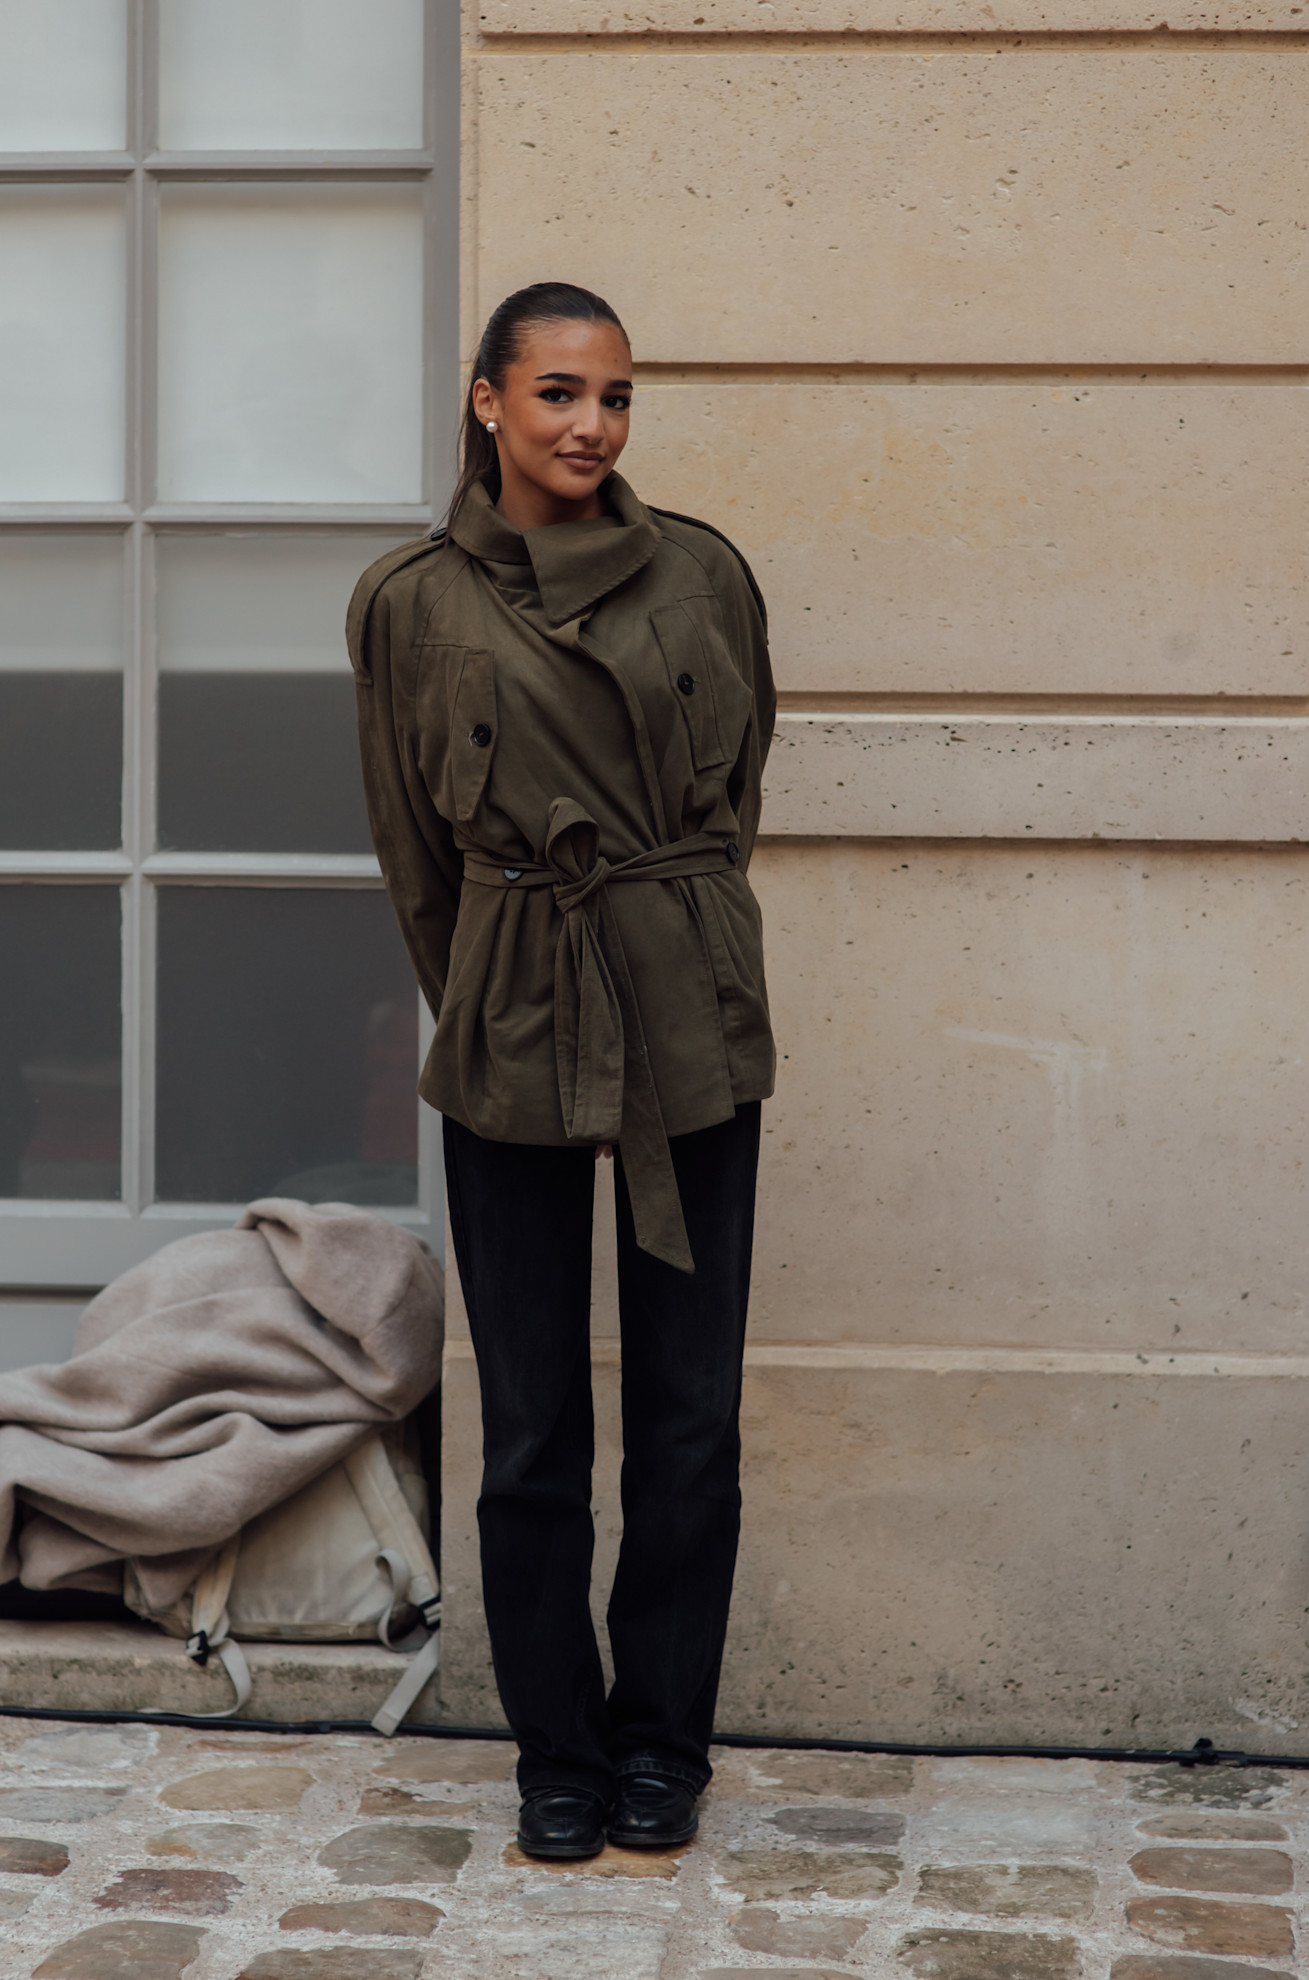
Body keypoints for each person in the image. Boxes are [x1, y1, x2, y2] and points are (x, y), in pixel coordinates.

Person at [348, 281, 776, 1860]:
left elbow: (736, 800)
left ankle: (666, 1741)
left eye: (613, 399)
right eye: (555, 395)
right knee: (529, 1423)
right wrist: (498, 980)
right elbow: (416, 864)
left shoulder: (704, 575)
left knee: (690, 1414)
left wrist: (680, 938)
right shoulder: (409, 602)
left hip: (688, 1004)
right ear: (486, 404)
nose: (589, 425)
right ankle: (559, 1750)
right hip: (515, 1007)